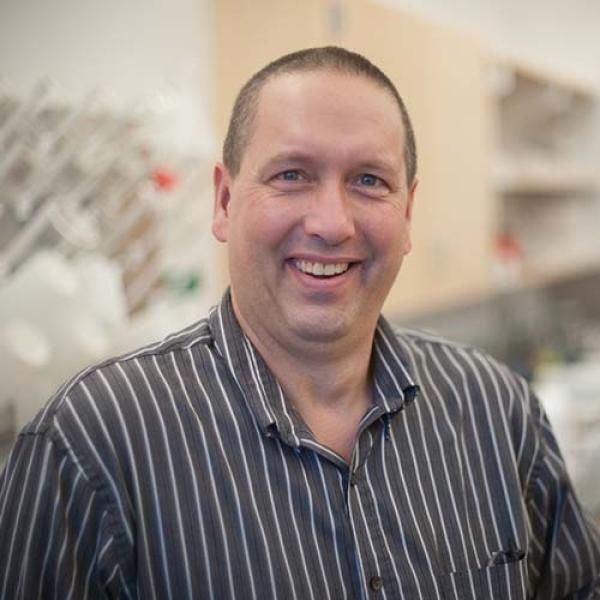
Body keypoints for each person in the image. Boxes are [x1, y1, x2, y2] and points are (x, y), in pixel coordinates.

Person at [1, 46, 599, 600]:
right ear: (225, 201)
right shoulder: (90, 445)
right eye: (292, 175)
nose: (332, 222)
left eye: (369, 180)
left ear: (408, 211)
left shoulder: (498, 410)